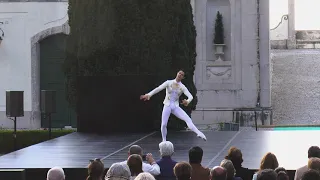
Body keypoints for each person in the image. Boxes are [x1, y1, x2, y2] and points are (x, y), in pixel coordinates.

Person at [140, 70, 206, 142]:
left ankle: (198, 133)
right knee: (164, 124)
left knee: (188, 119)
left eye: (182, 74)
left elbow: (190, 96)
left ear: (183, 77)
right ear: (177, 73)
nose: (180, 74)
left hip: (175, 106)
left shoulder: (182, 87)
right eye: (179, 73)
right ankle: (164, 140)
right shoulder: (168, 82)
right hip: (167, 105)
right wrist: (149, 94)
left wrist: (187, 101)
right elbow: (158, 88)